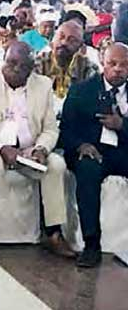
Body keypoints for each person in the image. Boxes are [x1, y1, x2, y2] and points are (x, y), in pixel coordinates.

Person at [0, 42, 75, 261]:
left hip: (26, 151)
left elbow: (50, 129)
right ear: (4, 58)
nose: (15, 69)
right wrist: (1, 148)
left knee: (56, 164)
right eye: (11, 63)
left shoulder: (43, 85)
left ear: (32, 69)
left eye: (23, 66)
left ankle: (53, 233)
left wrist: (40, 148)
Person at [62, 43, 128, 268]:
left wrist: (122, 125)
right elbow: (65, 132)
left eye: (124, 65)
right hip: (92, 151)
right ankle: (91, 245)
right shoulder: (82, 90)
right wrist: (81, 145)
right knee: (88, 170)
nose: (118, 69)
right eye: (113, 64)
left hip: (122, 151)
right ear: (103, 63)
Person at [34, 20, 99, 105]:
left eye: (72, 40)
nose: (64, 42)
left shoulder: (88, 68)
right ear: (53, 40)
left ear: (80, 46)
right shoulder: (38, 63)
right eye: (61, 36)